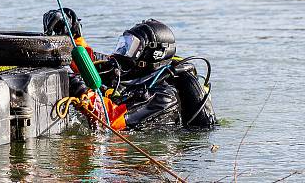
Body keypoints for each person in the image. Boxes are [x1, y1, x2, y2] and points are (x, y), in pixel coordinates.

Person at [43, 9, 217, 130]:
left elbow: (110, 122)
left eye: (131, 46)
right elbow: (89, 64)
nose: (123, 52)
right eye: (124, 44)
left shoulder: (164, 97)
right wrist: (72, 32)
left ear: (151, 55)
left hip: (136, 161)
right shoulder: (129, 71)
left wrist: (81, 90)